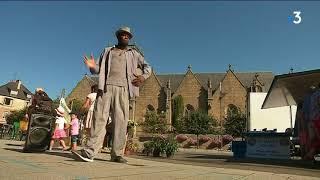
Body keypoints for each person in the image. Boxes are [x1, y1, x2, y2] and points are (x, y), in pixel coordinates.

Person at [72, 26, 151, 163]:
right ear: (118, 36)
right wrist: (91, 66)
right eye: (122, 34)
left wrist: (143, 77)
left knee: (121, 121)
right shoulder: (107, 51)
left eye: (127, 35)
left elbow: (147, 67)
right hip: (106, 87)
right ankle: (89, 152)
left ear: (130, 38)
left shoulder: (134, 54)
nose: (125, 36)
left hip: (124, 89)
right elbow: (98, 68)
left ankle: (117, 154)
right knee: (99, 119)